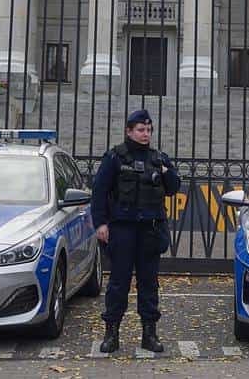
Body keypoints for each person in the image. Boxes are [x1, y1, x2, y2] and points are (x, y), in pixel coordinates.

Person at [90, 109, 180, 354]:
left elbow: (173, 188)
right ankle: (112, 334)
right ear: (129, 131)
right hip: (123, 229)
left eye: (148, 130)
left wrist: (165, 171)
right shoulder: (115, 158)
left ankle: (149, 334)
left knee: (149, 284)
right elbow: (98, 192)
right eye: (141, 130)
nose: (145, 134)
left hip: (150, 230)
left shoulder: (159, 158)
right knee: (118, 283)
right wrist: (100, 224)